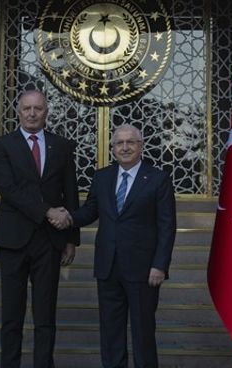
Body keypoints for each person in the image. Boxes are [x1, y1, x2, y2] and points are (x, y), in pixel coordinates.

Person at [0, 89, 81, 368]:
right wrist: (47, 211)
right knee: (12, 315)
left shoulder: (62, 146)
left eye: (37, 109)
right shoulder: (3, 145)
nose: (31, 113)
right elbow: (8, 189)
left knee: (45, 316)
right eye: (26, 108)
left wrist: (72, 239)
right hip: (13, 238)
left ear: (46, 112)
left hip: (49, 241)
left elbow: (70, 193)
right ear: (18, 112)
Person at [72, 124, 176, 368]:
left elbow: (167, 226)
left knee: (143, 333)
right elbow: (89, 212)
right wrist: (66, 216)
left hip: (143, 270)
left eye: (131, 142)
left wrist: (160, 265)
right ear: (113, 148)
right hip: (108, 268)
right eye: (120, 143)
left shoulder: (158, 179)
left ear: (141, 147)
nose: (125, 147)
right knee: (111, 334)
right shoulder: (102, 177)